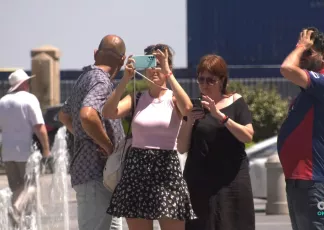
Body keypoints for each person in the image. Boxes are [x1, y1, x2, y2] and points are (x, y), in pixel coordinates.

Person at [103, 44, 196, 230]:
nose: (154, 69)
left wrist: (168, 73)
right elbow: (108, 112)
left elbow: (187, 109)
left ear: (168, 67)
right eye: (151, 63)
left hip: (167, 170)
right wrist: (125, 79)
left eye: (160, 63)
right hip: (137, 170)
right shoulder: (136, 98)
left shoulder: (173, 98)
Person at [177, 54, 256, 230]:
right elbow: (181, 147)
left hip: (232, 180)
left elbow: (247, 135)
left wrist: (220, 116)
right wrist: (188, 121)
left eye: (210, 80)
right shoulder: (193, 106)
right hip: (200, 182)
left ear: (221, 80)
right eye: (201, 79)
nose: (204, 84)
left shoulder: (236, 102)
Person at [58, 34, 125, 230]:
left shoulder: (85, 77)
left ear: (95, 54)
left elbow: (64, 115)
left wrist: (84, 136)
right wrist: (106, 145)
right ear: (122, 60)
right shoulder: (101, 81)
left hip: (96, 176)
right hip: (96, 175)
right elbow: (87, 115)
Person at [277, 27, 324, 230]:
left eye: (308, 52)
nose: (302, 56)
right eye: (301, 52)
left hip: (312, 182)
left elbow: (286, 68)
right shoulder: (308, 91)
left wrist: (300, 45)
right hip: (299, 181)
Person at [0, 69, 50, 226]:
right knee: (31, 187)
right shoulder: (29, 99)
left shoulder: (2, 101)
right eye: (27, 82)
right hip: (25, 152)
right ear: (23, 84)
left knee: (16, 190)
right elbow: (39, 127)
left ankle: (17, 224)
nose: (29, 84)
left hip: (7, 153)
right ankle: (15, 209)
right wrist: (46, 150)